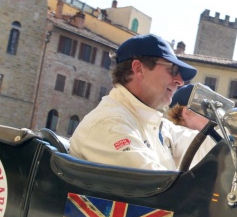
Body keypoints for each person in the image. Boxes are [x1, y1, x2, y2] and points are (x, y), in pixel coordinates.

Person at [69, 34, 199, 170]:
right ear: (138, 69)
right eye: (172, 70)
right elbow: (155, 185)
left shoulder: (153, 123)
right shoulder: (110, 123)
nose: (180, 81)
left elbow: (201, 145)